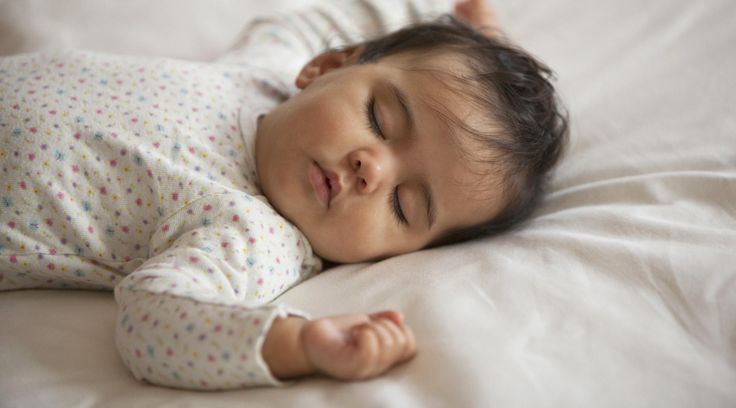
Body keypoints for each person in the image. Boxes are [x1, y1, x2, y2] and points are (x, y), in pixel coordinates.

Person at [0, 0, 567, 390]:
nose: (372, 170)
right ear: (327, 67)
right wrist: (471, 33)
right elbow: (332, 17)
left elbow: (156, 322)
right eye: (379, 117)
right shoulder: (263, 74)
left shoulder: (253, 236)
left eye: (403, 205)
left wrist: (299, 344)